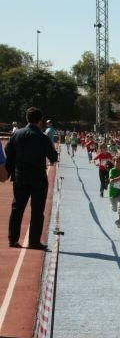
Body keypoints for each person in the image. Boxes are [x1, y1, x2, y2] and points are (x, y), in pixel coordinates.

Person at [4, 107, 58, 249]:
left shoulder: (17, 134)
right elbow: (53, 156)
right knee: (37, 210)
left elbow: (8, 151)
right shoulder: (42, 137)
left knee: (17, 208)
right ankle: (34, 241)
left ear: (27, 118)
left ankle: (12, 239)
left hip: (20, 175)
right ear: (40, 120)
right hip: (38, 177)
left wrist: (10, 170)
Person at [107, 155, 120, 229]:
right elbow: (111, 181)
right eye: (117, 161)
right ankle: (114, 208)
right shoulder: (112, 170)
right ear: (114, 162)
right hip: (113, 194)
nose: (119, 163)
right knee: (115, 208)